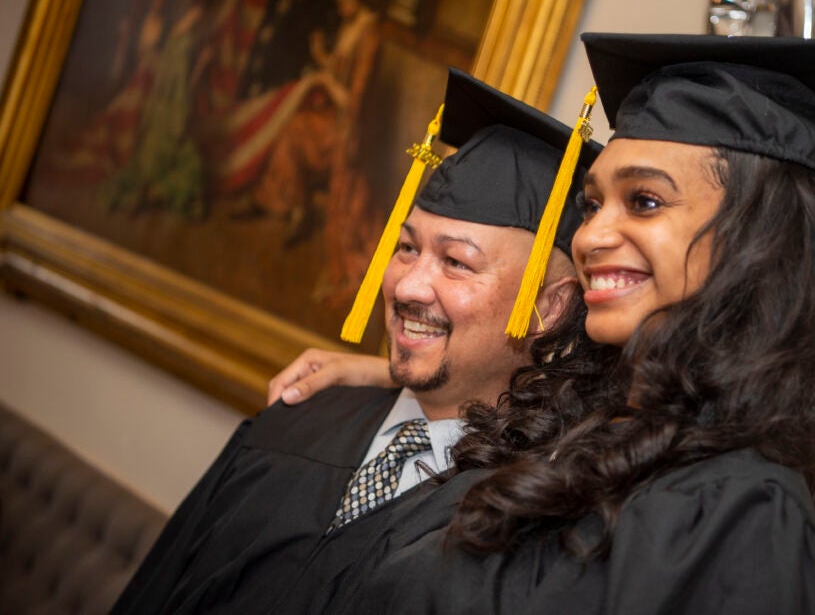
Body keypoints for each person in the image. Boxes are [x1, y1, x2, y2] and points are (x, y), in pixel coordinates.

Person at [268, 32, 815, 613]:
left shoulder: (740, 511)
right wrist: (385, 376)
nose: (590, 235)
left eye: (643, 201)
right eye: (591, 204)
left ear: (758, 244)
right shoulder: (600, 434)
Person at [110, 67, 602, 614]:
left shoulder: (533, 521)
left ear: (548, 307)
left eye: (457, 262)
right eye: (408, 248)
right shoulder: (299, 416)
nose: (408, 285)